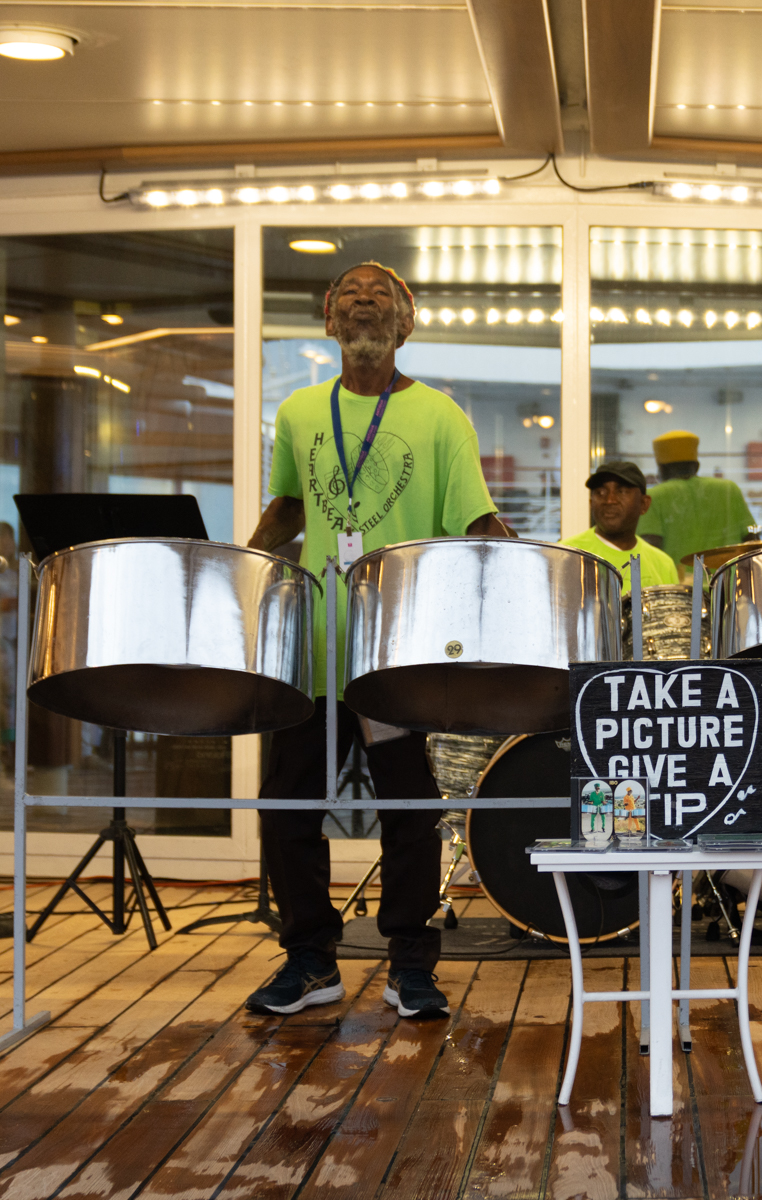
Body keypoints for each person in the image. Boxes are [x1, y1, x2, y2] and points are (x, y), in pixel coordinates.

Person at [244, 261, 513, 1019]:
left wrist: (524, 568)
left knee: (409, 813)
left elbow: (475, 521)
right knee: (288, 806)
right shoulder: (299, 413)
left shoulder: (440, 417)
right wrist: (244, 567)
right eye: (350, 297)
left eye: (381, 297)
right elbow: (291, 508)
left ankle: (409, 963)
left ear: (406, 323)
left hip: (397, 654)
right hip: (318, 651)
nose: (365, 303)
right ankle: (309, 959)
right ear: (330, 321)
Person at [637, 429, 756, 569]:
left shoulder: (652, 497)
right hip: (727, 585)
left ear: (661, 470)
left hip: (676, 587)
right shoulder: (729, 489)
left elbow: (649, 548)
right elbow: (752, 538)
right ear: (696, 466)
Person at [559, 460, 679, 589]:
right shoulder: (565, 556)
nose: (610, 500)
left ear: (644, 504)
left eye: (621, 491)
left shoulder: (663, 564)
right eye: (600, 492)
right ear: (591, 503)